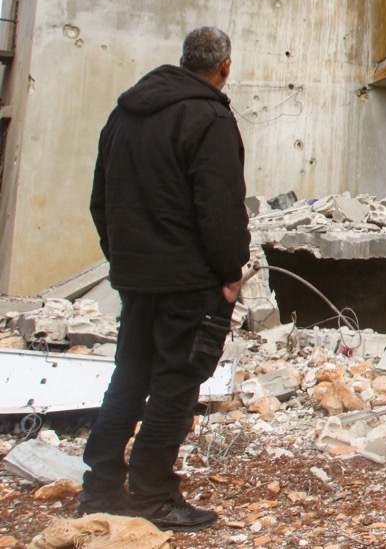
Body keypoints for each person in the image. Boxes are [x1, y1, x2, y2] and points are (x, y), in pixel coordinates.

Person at [80, 27, 251, 532]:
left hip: (137, 280)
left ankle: (101, 490)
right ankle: (153, 496)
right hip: (189, 284)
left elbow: (100, 199)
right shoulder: (210, 117)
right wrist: (229, 274)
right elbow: (220, 208)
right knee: (176, 386)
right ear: (224, 66)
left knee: (129, 379)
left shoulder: (125, 114)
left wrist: (123, 260)